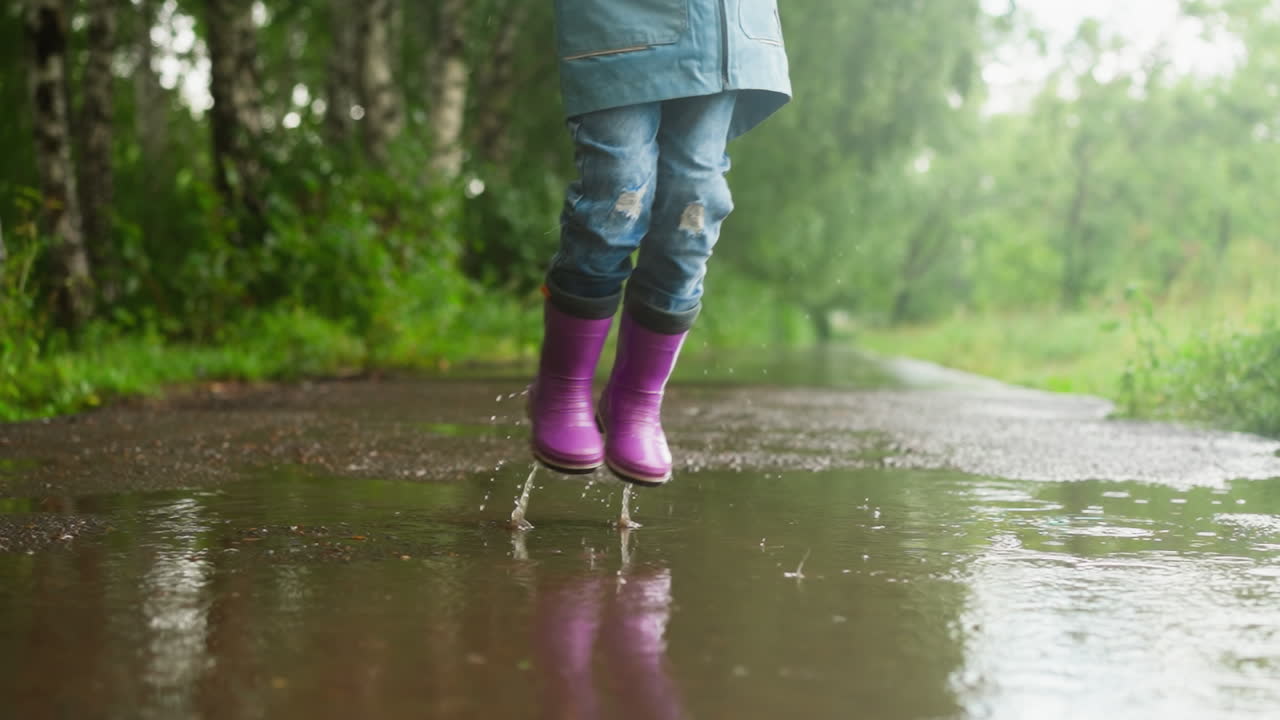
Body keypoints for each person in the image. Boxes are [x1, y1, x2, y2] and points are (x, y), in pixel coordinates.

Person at [530, 0, 791, 486]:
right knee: (617, 194)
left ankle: (637, 401)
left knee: (693, 206)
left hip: (727, 28)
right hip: (617, 23)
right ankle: (562, 387)